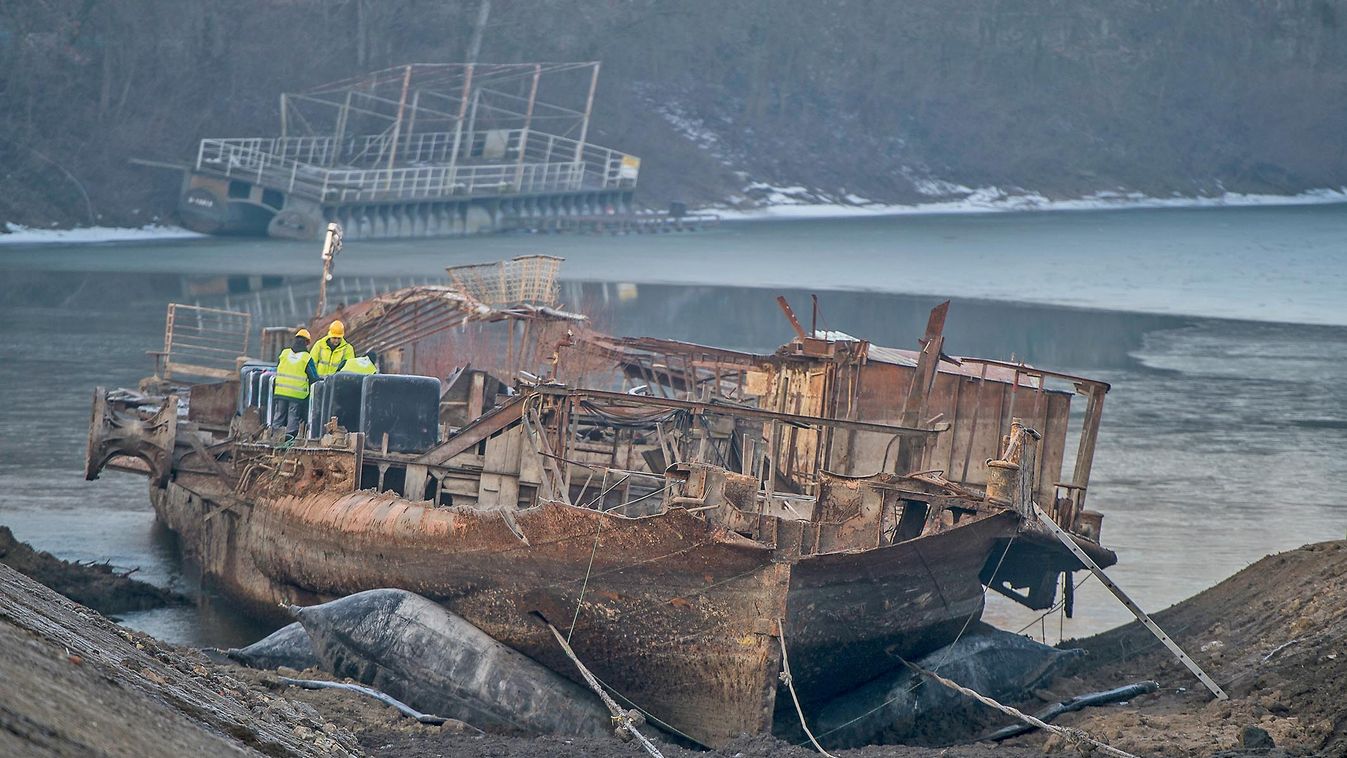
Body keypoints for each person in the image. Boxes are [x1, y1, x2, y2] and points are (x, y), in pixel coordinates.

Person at [273, 328, 319, 436]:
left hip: (280, 391)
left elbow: (278, 368)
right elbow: (313, 377)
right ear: (307, 343)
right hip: (296, 394)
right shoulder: (306, 358)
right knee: (293, 417)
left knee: (279, 415)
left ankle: (275, 436)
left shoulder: (284, 353)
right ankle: (289, 439)